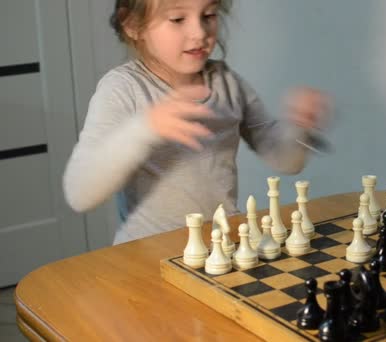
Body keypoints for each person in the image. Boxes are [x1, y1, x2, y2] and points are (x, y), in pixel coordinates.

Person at [63, 0, 330, 244]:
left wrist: (299, 126)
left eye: (209, 15)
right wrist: (145, 127)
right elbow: (79, 193)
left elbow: (284, 160)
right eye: (178, 19)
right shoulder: (122, 89)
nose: (200, 32)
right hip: (147, 257)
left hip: (219, 249)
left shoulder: (227, 83)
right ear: (133, 24)